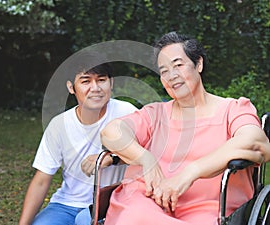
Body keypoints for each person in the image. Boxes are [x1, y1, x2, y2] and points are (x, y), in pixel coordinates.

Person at [100, 32, 270, 225]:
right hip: (148, 200)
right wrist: (146, 159)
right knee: (134, 216)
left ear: (198, 64)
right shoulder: (155, 114)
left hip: (209, 207)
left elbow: (255, 143)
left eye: (178, 65)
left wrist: (190, 172)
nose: (171, 76)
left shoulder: (233, 109)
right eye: (164, 71)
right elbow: (111, 132)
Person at [18, 62, 137, 225]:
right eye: (86, 81)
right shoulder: (59, 125)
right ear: (71, 87)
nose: (95, 88)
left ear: (111, 83)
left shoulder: (127, 113)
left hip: (110, 200)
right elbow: (41, 180)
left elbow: (148, 157)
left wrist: (111, 157)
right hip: (65, 204)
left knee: (84, 220)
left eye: (101, 80)